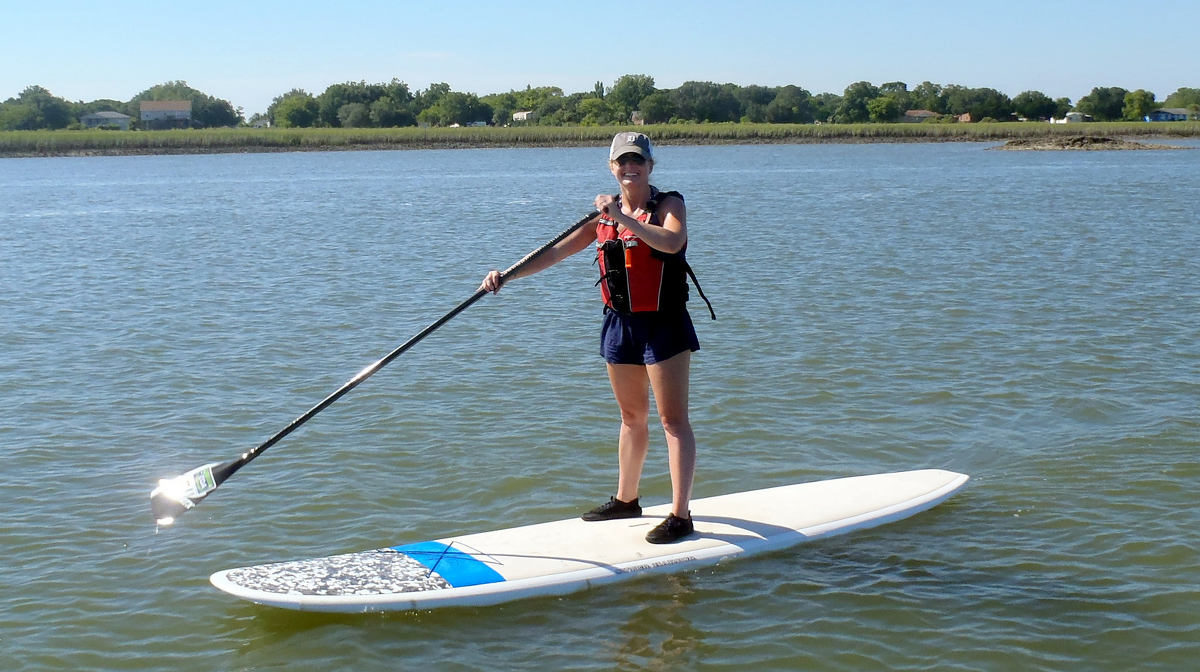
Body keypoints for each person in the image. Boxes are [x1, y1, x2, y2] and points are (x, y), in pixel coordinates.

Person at [481, 131, 713, 544]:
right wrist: (508, 275)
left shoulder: (668, 205)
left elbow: (673, 241)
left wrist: (622, 217)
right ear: (612, 167)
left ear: (649, 166)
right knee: (630, 418)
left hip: (664, 323)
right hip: (620, 324)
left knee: (672, 421)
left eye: (637, 160)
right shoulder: (600, 219)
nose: (630, 167)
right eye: (622, 161)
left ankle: (681, 515)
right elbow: (554, 253)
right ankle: (627, 500)